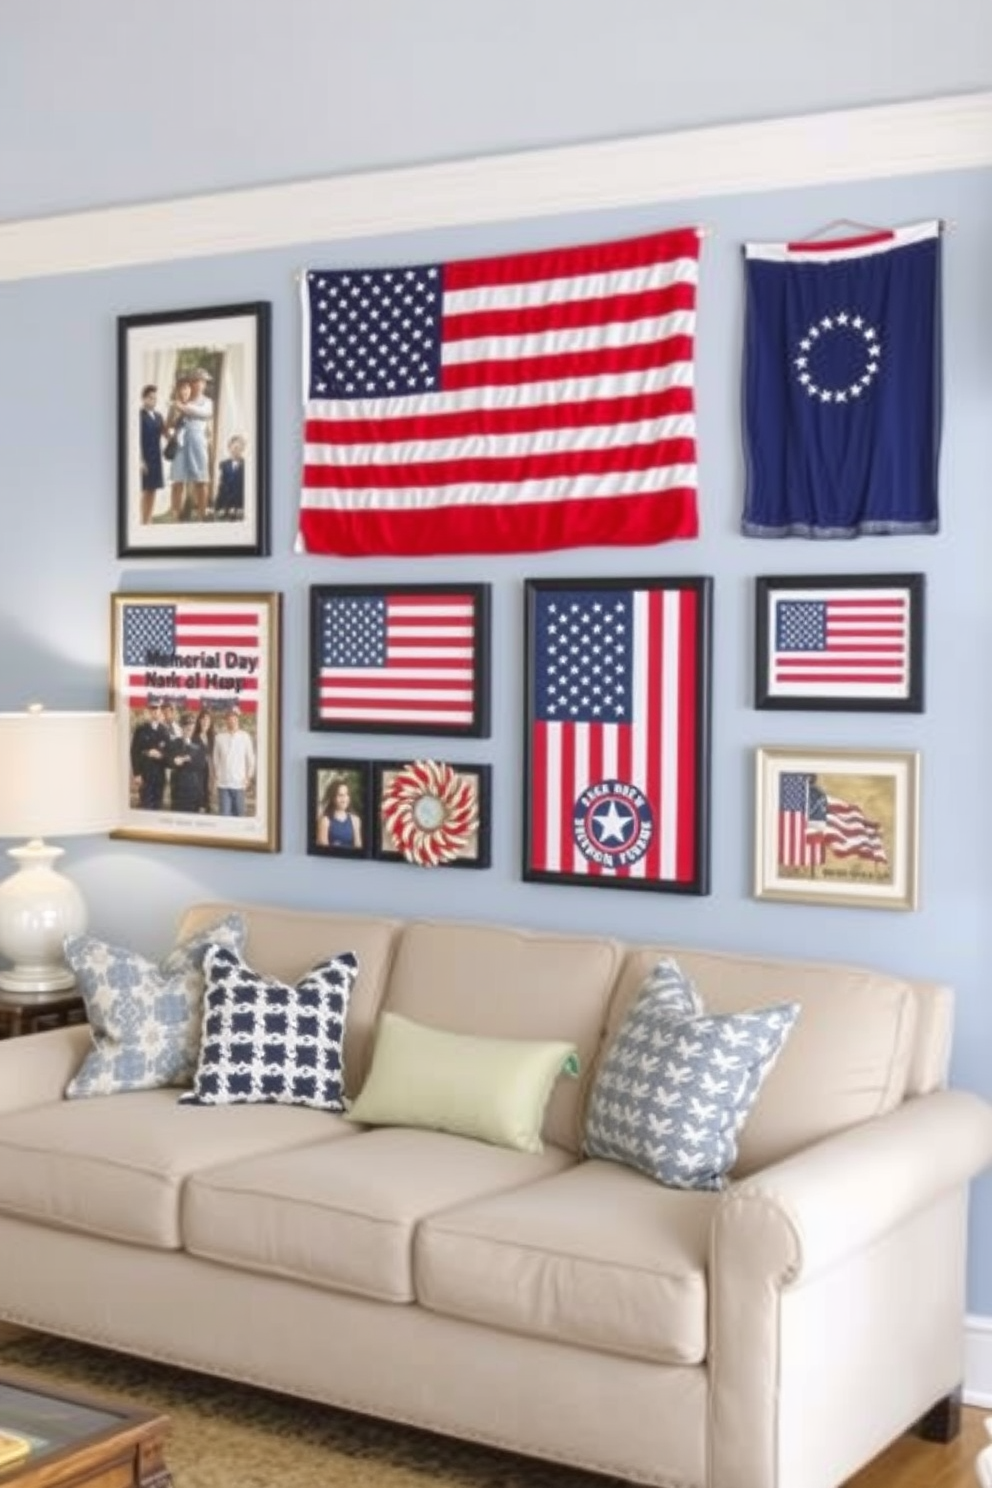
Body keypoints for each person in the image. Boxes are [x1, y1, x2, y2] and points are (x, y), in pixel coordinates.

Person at [166, 368, 214, 522]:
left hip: (198, 444)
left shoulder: (207, 402)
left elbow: (204, 414)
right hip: (180, 446)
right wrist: (171, 432)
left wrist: (179, 406)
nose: (199, 384)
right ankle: (175, 516)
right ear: (191, 383)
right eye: (195, 381)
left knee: (201, 480)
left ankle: (201, 515)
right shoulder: (181, 399)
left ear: (205, 384)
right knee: (177, 481)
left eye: (202, 381)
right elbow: (169, 424)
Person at [212, 705, 255, 817]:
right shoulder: (219, 737)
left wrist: (248, 777)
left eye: (234, 718)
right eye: (229, 718)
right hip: (223, 784)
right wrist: (217, 774)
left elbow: (250, 758)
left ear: (238, 719)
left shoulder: (245, 736)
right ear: (226, 720)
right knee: (224, 815)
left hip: (239, 784)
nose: (231, 720)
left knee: (239, 816)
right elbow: (216, 758)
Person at [129, 698, 170, 810]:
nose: (155, 711)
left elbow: (168, 754)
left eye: (157, 709)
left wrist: (161, 755)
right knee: (146, 806)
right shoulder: (140, 729)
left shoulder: (164, 731)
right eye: (152, 709)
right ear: (148, 711)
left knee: (158, 807)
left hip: (159, 776)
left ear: (160, 710)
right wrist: (137, 773)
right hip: (145, 775)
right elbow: (134, 752)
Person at [166, 712, 211, 813]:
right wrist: (174, 761)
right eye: (186, 727)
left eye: (192, 727)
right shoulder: (175, 743)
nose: (189, 730)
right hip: (178, 793)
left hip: (195, 793)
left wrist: (203, 802)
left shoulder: (199, 744)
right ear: (182, 727)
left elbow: (203, 770)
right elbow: (168, 760)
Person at [139, 385, 165, 524]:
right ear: (143, 399)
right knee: (145, 490)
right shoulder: (138, 415)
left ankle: (149, 519)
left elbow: (166, 434)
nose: (153, 400)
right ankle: (143, 520)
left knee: (153, 489)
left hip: (156, 457)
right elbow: (135, 440)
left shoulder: (159, 416)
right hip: (145, 458)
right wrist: (140, 460)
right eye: (150, 398)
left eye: (155, 398)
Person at [317, 775, 363, 850]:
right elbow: (323, 851)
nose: (344, 799)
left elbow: (358, 847)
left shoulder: (355, 820)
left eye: (346, 794)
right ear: (333, 798)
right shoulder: (325, 821)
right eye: (340, 795)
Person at [215, 435, 246, 520]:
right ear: (229, 448)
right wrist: (219, 507)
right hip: (226, 504)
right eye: (234, 448)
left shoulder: (245, 465)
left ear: (242, 449)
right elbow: (221, 486)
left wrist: (242, 508)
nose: (236, 451)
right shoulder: (224, 464)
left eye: (239, 448)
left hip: (239, 504)